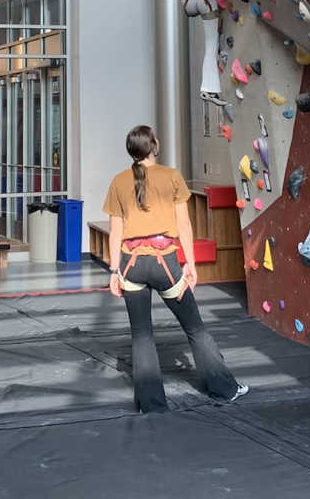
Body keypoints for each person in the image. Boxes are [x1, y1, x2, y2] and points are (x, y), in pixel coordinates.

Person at [103, 125, 247, 413]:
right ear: (154, 145)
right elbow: (184, 225)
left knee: (141, 335)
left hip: (131, 264)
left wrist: (114, 272)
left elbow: (115, 233)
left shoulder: (118, 181)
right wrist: (190, 264)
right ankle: (224, 389)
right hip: (164, 264)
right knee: (194, 327)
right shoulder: (171, 176)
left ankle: (151, 405)